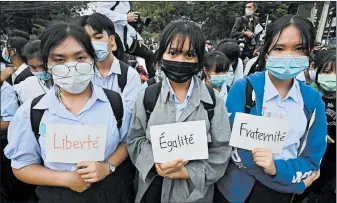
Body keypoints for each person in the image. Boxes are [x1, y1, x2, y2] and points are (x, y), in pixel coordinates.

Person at [4, 21, 134, 203]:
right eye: (59, 59)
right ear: (47, 64)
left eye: (80, 57)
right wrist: (65, 179)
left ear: (92, 58)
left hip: (111, 194)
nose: (71, 66)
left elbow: (127, 142)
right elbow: (21, 166)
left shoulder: (115, 103)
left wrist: (107, 166)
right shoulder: (32, 112)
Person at [215, 15, 327, 203]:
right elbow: (232, 147)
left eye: (299, 49)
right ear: (267, 53)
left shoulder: (313, 100)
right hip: (234, 192)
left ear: (309, 54)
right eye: (279, 48)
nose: (288, 56)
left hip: (279, 196)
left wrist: (276, 169)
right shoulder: (244, 89)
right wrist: (295, 183)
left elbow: (312, 161)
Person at [127, 21, 232, 203]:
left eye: (190, 54)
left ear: (199, 59)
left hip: (195, 194)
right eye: (173, 52)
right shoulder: (147, 95)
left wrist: (189, 172)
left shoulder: (213, 102)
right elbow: (135, 139)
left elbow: (221, 151)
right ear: (161, 55)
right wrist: (155, 163)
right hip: (153, 190)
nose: (180, 60)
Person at [293, 49, 336, 202]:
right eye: (327, 71)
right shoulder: (303, 96)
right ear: (315, 71)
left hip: (331, 165)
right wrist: (316, 134)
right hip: (305, 161)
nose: (332, 77)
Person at [77, 12, 142, 111]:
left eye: (98, 37)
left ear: (111, 40)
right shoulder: (79, 74)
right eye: (87, 40)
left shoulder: (129, 76)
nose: (93, 44)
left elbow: (128, 117)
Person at [95, 1, 156, 78]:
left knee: (149, 55)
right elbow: (100, 12)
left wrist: (138, 37)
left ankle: (153, 80)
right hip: (115, 41)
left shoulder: (127, 3)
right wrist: (125, 17)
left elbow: (125, 25)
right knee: (122, 70)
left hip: (127, 40)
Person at [13, 40, 53, 104]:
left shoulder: (65, 82)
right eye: (33, 67)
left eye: (43, 66)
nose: (39, 71)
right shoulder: (25, 85)